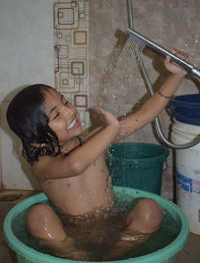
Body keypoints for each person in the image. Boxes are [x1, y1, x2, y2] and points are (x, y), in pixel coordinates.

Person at [6, 50, 187, 261]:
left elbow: (143, 116)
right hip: (70, 233)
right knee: (38, 215)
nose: (70, 111)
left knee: (150, 209)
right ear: (37, 138)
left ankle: (114, 255)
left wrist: (176, 75)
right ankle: (74, 256)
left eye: (65, 102)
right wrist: (111, 129)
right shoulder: (42, 164)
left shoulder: (93, 139)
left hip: (115, 225)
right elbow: (75, 165)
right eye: (57, 114)